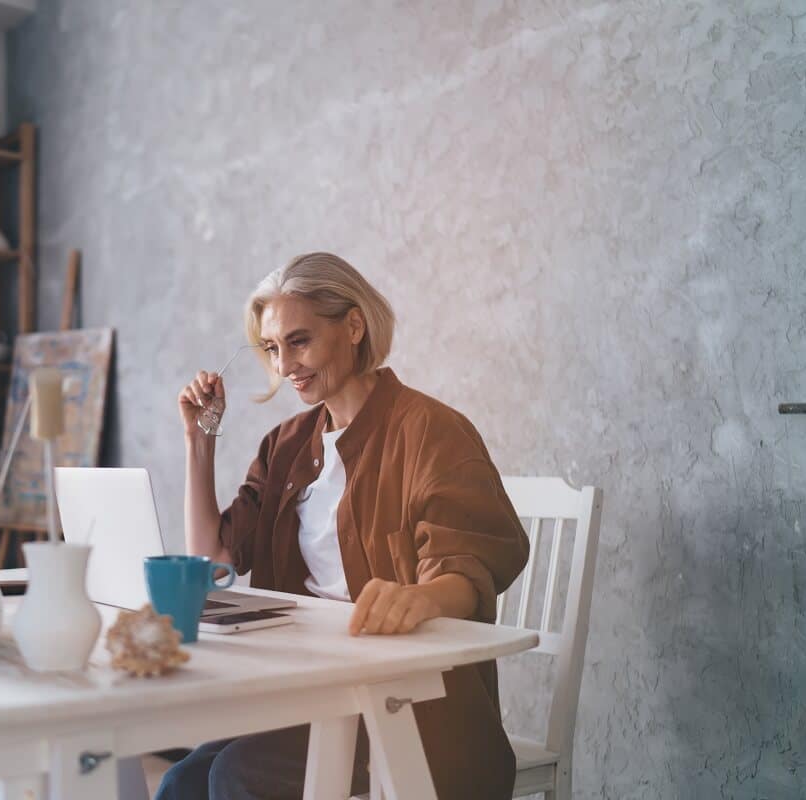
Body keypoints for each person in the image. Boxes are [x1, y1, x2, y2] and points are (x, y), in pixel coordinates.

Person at [160, 252, 530, 800]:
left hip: (413, 711)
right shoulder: (285, 445)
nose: (285, 365)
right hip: (311, 695)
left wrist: (420, 599)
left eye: (300, 340)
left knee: (235, 776)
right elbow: (212, 564)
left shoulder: (431, 431)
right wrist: (200, 441)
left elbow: (466, 569)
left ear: (353, 326)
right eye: (272, 348)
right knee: (183, 780)